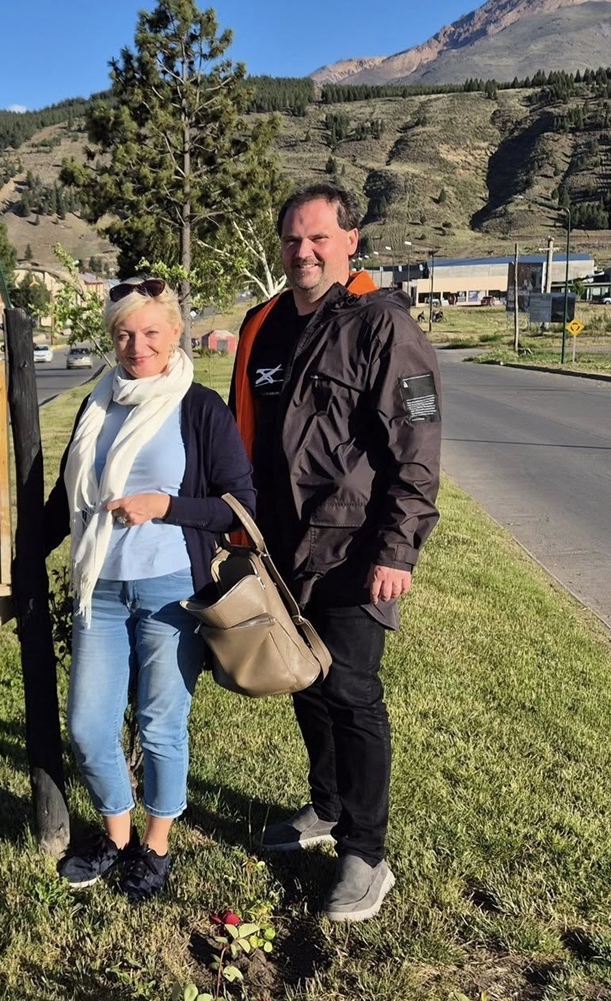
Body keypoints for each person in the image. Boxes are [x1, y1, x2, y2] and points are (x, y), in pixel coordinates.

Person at [230, 182, 441, 922]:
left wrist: (399, 548)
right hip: (280, 550)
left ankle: (366, 852)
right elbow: (244, 435)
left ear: (352, 241)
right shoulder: (263, 324)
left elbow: (417, 445)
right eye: (292, 239)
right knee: (308, 684)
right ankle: (325, 809)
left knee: (351, 692)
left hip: (356, 548)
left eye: (319, 238)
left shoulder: (383, 325)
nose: (304, 252)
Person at [43, 277, 255, 903]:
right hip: (99, 587)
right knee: (87, 725)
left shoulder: (199, 407)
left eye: (150, 332)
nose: (137, 345)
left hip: (170, 590)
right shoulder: (96, 406)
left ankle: (156, 845)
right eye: (125, 334)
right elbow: (66, 499)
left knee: (162, 724)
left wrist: (166, 506)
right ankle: (115, 833)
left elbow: (240, 507)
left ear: (175, 335)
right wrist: (24, 559)